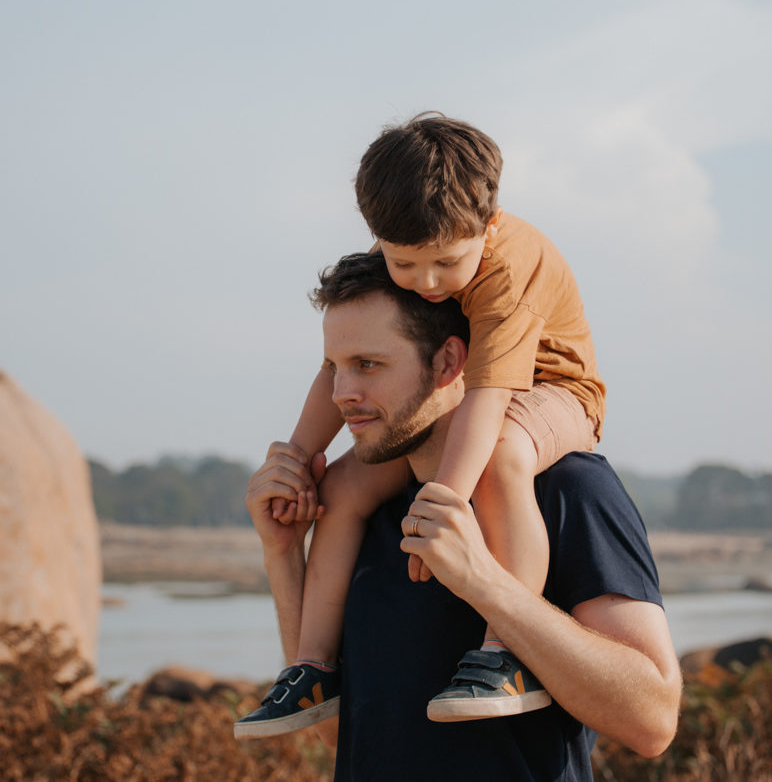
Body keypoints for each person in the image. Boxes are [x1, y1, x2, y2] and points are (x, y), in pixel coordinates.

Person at [235, 252, 681, 781]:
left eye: (369, 365)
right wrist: (284, 553)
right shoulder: (356, 510)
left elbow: (652, 721)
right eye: (334, 367)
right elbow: (341, 730)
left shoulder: (568, 488)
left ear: (449, 362)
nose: (341, 395)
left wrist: (487, 584)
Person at [238, 113, 607, 734]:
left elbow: (490, 402)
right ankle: (312, 668)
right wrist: (300, 459)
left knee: (500, 455)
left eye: (445, 263)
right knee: (343, 488)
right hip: (464, 390)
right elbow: (339, 368)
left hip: (555, 391)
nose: (428, 283)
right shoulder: (400, 251)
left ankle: (504, 654)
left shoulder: (508, 269)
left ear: (487, 228)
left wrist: (443, 506)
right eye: (407, 265)